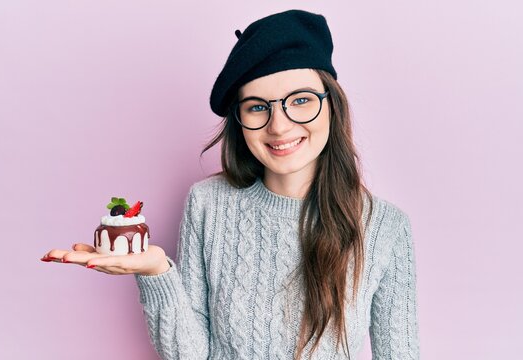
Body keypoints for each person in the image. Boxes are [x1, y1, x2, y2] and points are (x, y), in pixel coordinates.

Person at [41, 9, 420, 360]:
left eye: (301, 100)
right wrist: (157, 274)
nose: (279, 126)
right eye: (257, 106)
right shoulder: (208, 204)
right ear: (239, 119)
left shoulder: (386, 227)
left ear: (332, 105)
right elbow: (193, 354)